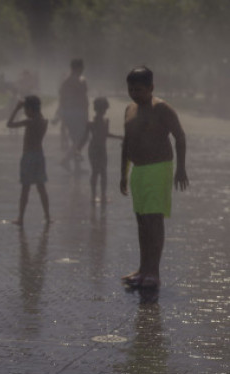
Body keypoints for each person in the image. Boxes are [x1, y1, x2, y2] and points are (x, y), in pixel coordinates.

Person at [120, 66, 188, 288]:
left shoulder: (162, 109)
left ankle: (154, 272)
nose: (134, 94)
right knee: (141, 221)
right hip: (138, 171)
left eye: (139, 90)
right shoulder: (129, 109)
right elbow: (127, 143)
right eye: (131, 89)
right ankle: (142, 269)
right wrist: (123, 173)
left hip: (158, 169)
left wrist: (181, 168)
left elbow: (180, 136)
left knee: (154, 220)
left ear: (151, 88)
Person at [6, 96, 51, 226]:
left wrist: (16, 109)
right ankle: (47, 216)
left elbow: (9, 124)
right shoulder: (44, 121)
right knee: (41, 188)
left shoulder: (29, 122)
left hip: (28, 157)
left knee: (25, 189)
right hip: (39, 156)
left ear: (30, 109)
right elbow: (38, 114)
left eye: (25, 109)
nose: (25, 112)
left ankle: (20, 218)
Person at [76, 97, 123, 204]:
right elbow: (85, 137)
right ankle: (93, 195)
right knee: (95, 172)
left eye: (104, 109)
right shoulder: (90, 123)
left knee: (103, 173)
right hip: (93, 149)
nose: (103, 112)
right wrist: (78, 149)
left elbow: (106, 134)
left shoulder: (106, 121)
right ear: (97, 109)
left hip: (102, 149)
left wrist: (118, 137)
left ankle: (103, 195)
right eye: (101, 109)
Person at [54, 58, 89, 173]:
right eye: (82, 67)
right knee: (81, 138)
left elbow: (62, 99)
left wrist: (59, 114)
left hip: (69, 112)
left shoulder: (66, 81)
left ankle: (77, 166)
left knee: (75, 139)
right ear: (78, 68)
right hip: (78, 112)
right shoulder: (80, 81)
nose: (83, 69)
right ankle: (65, 159)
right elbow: (83, 98)